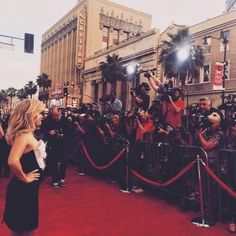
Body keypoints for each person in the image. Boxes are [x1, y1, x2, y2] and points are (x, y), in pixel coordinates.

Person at [3, 99, 46, 236]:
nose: (42, 116)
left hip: (29, 191)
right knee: (23, 230)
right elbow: (12, 161)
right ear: (31, 114)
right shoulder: (24, 135)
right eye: (40, 113)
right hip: (22, 191)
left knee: (26, 229)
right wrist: (25, 178)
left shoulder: (28, 134)